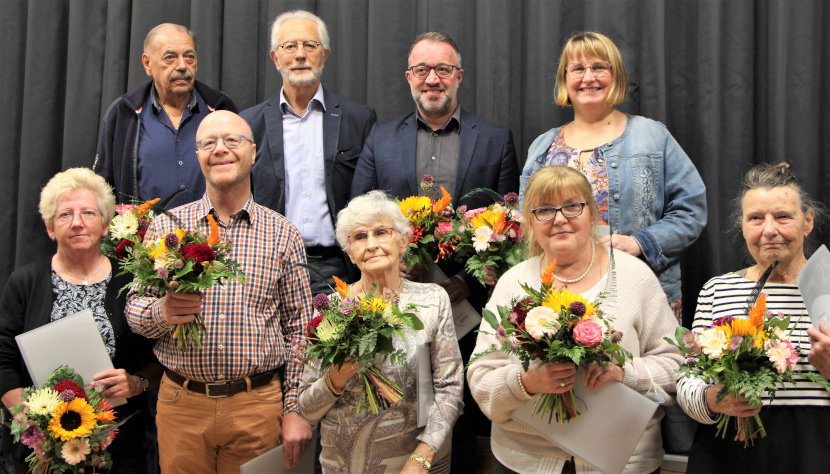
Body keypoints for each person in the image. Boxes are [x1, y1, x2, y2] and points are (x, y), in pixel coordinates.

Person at [350, 33, 519, 470]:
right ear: (409, 77)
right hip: (391, 303)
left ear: (459, 76)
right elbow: (357, 215)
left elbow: (510, 228)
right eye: (422, 70)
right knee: (392, 408)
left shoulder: (496, 139)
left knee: (455, 413)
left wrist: (466, 282)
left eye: (443, 69)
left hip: (465, 308)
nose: (432, 79)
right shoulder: (380, 137)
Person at [125, 111, 313, 472]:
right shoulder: (168, 228)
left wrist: (294, 408)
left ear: (253, 152)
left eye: (232, 140)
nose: (220, 149)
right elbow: (134, 309)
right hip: (182, 406)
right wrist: (162, 312)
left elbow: (299, 331)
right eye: (208, 143)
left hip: (257, 406)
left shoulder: (283, 234)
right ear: (198, 155)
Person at [468, 166, 683, 473]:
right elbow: (480, 378)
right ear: (530, 222)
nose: (559, 219)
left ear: (592, 215)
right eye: (544, 210)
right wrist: (526, 382)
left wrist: (625, 373)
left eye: (572, 206)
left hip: (622, 461)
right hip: (525, 461)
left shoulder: (635, 276)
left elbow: (677, 368)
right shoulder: (513, 283)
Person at [519, 31, 706, 322]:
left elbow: (691, 209)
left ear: (615, 75)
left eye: (599, 67)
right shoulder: (543, 147)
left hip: (640, 292)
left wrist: (641, 243)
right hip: (559, 301)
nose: (588, 77)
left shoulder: (652, 136)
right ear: (564, 78)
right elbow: (525, 221)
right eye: (577, 69)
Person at [0, 168, 160, 473]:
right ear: (50, 228)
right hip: (43, 453)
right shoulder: (24, 282)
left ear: (104, 225)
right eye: (65, 214)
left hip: (120, 450)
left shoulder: (132, 282)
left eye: (88, 212)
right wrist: (33, 421)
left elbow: (159, 358)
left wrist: (137, 383)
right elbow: (3, 357)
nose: (77, 222)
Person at [676, 162, 830, 472]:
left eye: (783, 216)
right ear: (744, 226)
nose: (769, 230)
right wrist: (711, 399)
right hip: (729, 453)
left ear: (808, 221)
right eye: (756, 218)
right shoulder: (717, 289)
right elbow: (687, 379)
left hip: (815, 450)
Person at [298, 190, 464, 473]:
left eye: (381, 232)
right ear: (350, 253)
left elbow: (449, 389)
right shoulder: (331, 310)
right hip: (344, 465)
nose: (372, 244)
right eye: (359, 237)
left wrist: (422, 457)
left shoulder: (433, 300)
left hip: (417, 463)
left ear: (403, 241)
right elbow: (307, 410)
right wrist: (336, 378)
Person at [240, 10, 377, 296]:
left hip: (339, 268)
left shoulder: (359, 119)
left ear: (324, 55)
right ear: (275, 58)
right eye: (290, 46)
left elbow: (372, 195)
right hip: (269, 268)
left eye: (310, 46)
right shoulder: (249, 124)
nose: (300, 55)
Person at [94, 23, 239, 208]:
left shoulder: (221, 108)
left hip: (214, 226)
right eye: (170, 57)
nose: (182, 66)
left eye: (189, 57)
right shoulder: (123, 114)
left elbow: (245, 175)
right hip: (146, 227)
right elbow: (103, 188)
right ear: (147, 63)